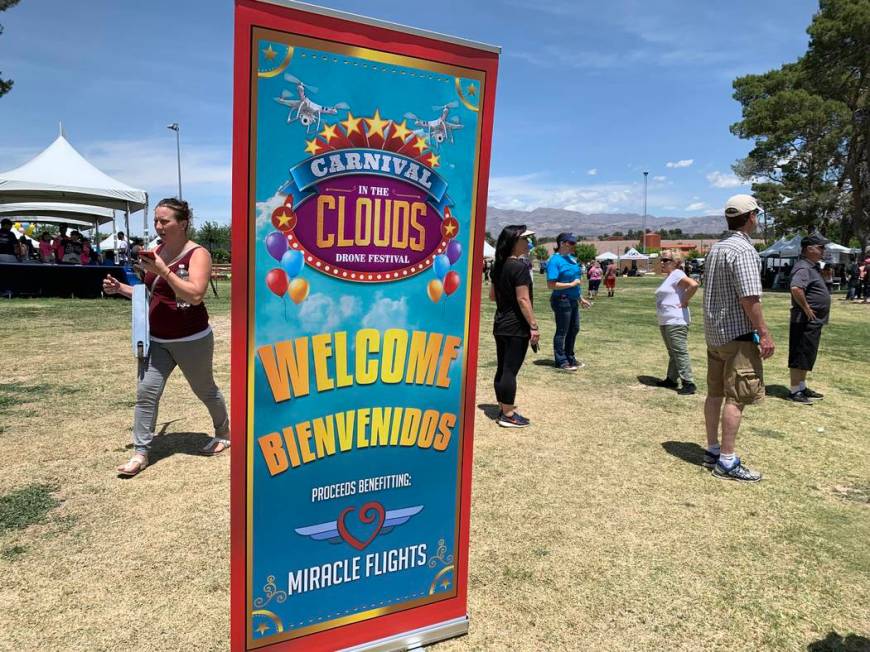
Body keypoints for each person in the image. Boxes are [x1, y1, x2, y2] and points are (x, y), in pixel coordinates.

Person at [102, 198, 230, 476]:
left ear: (182, 223)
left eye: (164, 221)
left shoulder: (198, 254)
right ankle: (140, 453)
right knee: (146, 393)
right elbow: (151, 293)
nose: (158, 227)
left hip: (192, 339)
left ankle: (223, 433)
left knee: (205, 390)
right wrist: (121, 288)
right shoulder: (156, 251)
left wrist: (163, 270)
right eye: (156, 221)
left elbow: (195, 295)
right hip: (157, 339)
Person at [702, 194, 774, 482]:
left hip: (715, 335)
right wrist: (764, 333)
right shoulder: (743, 251)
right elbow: (749, 297)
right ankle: (727, 461)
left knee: (715, 393)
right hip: (738, 335)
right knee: (737, 396)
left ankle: (713, 449)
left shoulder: (717, 249)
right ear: (752, 217)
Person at [490, 224, 540, 428]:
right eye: (525, 239)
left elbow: (492, 296)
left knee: (503, 368)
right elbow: (523, 300)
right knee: (510, 370)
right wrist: (534, 326)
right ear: (514, 242)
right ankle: (508, 414)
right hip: (515, 326)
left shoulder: (497, 266)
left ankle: (503, 406)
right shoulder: (519, 267)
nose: (528, 243)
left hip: (500, 323)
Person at [787, 233, 832, 403]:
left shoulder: (812, 267)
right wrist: (806, 307)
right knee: (800, 353)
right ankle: (794, 391)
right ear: (809, 249)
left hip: (813, 320)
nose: (823, 250)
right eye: (821, 247)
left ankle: (801, 387)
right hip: (803, 319)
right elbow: (796, 288)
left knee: (807, 354)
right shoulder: (803, 267)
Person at [654, 250, 699, 395]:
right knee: (672, 352)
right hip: (666, 320)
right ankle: (671, 379)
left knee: (679, 351)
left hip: (676, 320)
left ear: (676, 262)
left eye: (666, 260)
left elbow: (694, 284)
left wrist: (685, 300)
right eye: (661, 260)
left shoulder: (678, 274)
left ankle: (688, 382)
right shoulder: (670, 277)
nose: (662, 263)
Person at [546, 233, 591, 371]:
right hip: (561, 299)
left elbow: (576, 282)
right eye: (572, 243)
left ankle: (570, 357)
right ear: (563, 243)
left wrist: (580, 298)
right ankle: (561, 360)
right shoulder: (555, 260)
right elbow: (551, 285)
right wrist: (571, 284)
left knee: (574, 328)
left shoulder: (572, 260)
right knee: (562, 330)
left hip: (572, 300)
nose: (574, 246)